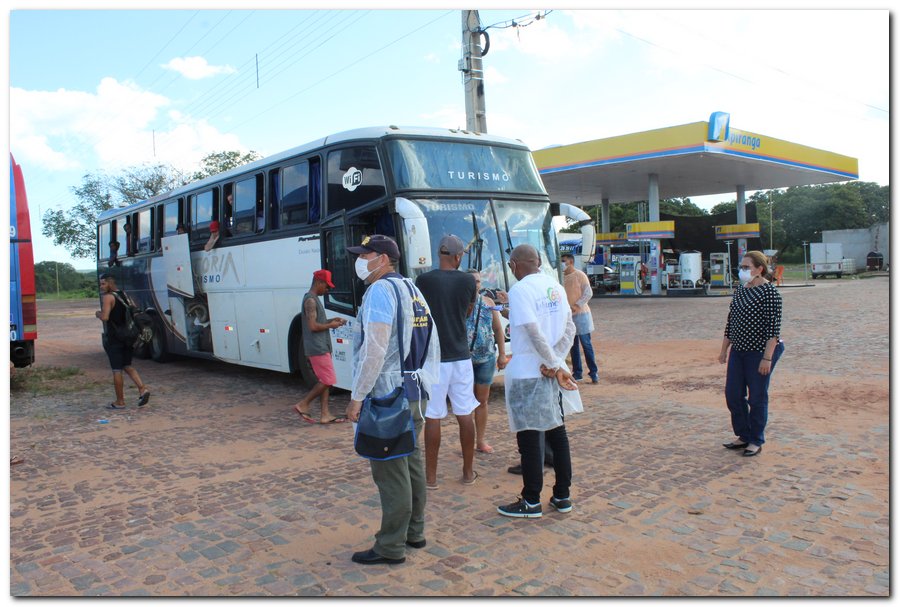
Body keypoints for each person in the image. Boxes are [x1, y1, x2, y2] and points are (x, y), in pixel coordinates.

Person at [345, 234, 440, 565]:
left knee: (390, 472)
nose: (360, 260)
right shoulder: (413, 290)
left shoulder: (380, 291)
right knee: (412, 465)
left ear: (382, 258)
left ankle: (390, 546)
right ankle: (414, 532)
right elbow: (430, 341)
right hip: (415, 390)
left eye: (366, 254)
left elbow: (375, 348)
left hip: (388, 394)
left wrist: (357, 395)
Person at [497, 244, 577, 519]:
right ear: (539, 262)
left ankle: (531, 500)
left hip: (528, 372)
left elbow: (532, 331)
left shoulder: (519, 290)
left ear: (514, 265)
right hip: (549, 369)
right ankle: (562, 496)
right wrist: (556, 361)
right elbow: (570, 327)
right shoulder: (554, 285)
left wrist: (553, 364)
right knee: (557, 434)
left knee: (530, 438)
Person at [415, 235, 480, 488]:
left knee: (433, 417)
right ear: (458, 256)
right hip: (461, 356)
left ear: (439, 253)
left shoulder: (423, 280)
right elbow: (468, 312)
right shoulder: (467, 280)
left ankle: (430, 478)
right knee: (465, 413)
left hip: (433, 357)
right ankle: (467, 473)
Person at [719, 250, 785, 457]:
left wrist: (767, 358)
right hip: (738, 350)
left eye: (747, 267)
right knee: (733, 394)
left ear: (760, 269)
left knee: (756, 396)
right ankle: (743, 434)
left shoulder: (770, 293)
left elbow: (773, 330)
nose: (743, 271)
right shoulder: (741, 290)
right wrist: (724, 350)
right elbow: (731, 322)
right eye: (742, 267)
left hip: (760, 352)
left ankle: (756, 439)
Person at [293, 269, 348, 424]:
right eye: (327, 286)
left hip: (321, 345)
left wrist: (331, 320)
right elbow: (313, 326)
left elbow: (316, 323)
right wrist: (331, 325)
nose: (328, 289)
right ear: (319, 282)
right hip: (317, 347)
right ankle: (303, 404)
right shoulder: (310, 300)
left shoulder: (313, 299)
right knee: (329, 380)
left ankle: (325, 414)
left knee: (324, 379)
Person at [465, 269, 508, 455]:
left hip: (486, 358)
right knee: (465, 403)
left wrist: (502, 355)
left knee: (482, 401)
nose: (476, 284)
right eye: (472, 281)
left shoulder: (489, 303)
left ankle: (480, 440)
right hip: (463, 360)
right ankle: (466, 440)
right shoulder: (458, 303)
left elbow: (498, 330)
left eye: (478, 281)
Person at [95, 273, 151, 410]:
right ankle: (142, 389)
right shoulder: (124, 294)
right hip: (129, 336)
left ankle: (120, 401)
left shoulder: (108, 297)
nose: (101, 286)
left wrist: (98, 314)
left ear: (110, 283)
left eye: (103, 283)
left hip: (115, 338)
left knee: (116, 370)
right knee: (127, 365)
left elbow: (106, 317)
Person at [561, 253, 598, 383]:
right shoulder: (561, 278)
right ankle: (577, 373)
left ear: (571, 262)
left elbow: (588, 293)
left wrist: (577, 305)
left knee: (586, 344)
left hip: (582, 315)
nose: (562, 263)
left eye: (563, 261)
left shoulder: (580, 275)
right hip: (568, 316)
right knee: (573, 346)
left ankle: (593, 373)